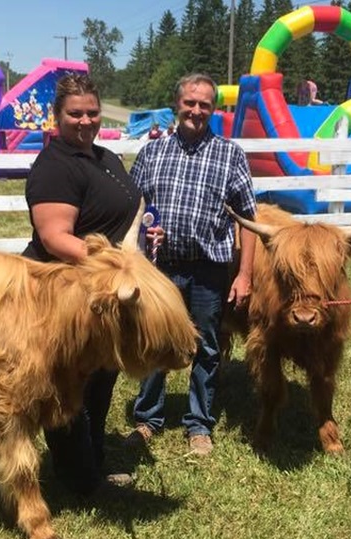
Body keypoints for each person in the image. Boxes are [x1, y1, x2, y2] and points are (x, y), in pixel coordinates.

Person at [22, 73, 143, 494]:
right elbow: (55, 238)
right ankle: (79, 478)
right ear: (57, 117)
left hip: (101, 291)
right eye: (75, 114)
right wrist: (109, 262)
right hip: (66, 292)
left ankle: (93, 461)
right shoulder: (55, 167)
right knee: (70, 386)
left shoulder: (104, 157)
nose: (86, 121)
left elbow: (123, 211)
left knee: (100, 378)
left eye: (93, 112)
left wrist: (141, 240)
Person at [126, 73, 257, 456]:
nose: (196, 111)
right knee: (153, 340)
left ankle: (199, 423)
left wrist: (245, 273)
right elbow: (135, 208)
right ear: (176, 106)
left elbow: (247, 217)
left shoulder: (230, 154)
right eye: (190, 103)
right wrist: (138, 246)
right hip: (159, 267)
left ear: (212, 110)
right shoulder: (152, 153)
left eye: (204, 105)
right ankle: (148, 418)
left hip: (208, 269)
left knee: (207, 346)